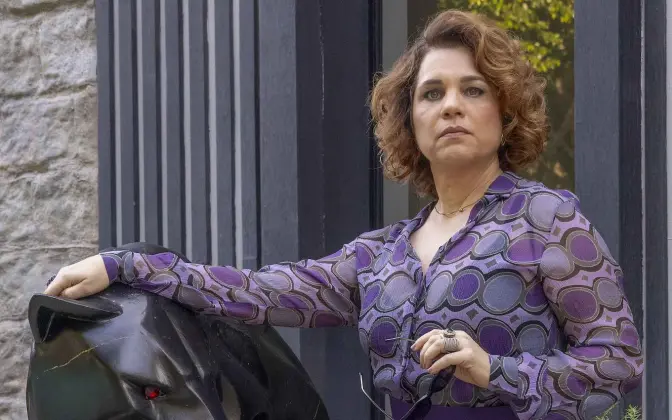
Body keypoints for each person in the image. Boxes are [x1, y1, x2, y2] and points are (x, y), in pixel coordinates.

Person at [44, 9, 643, 420]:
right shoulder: (379, 255)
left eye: (474, 89)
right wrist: (125, 266)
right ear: (410, 121)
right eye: (432, 93)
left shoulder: (545, 218)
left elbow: (618, 364)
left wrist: (496, 370)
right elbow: (254, 293)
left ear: (505, 114)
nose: (451, 106)